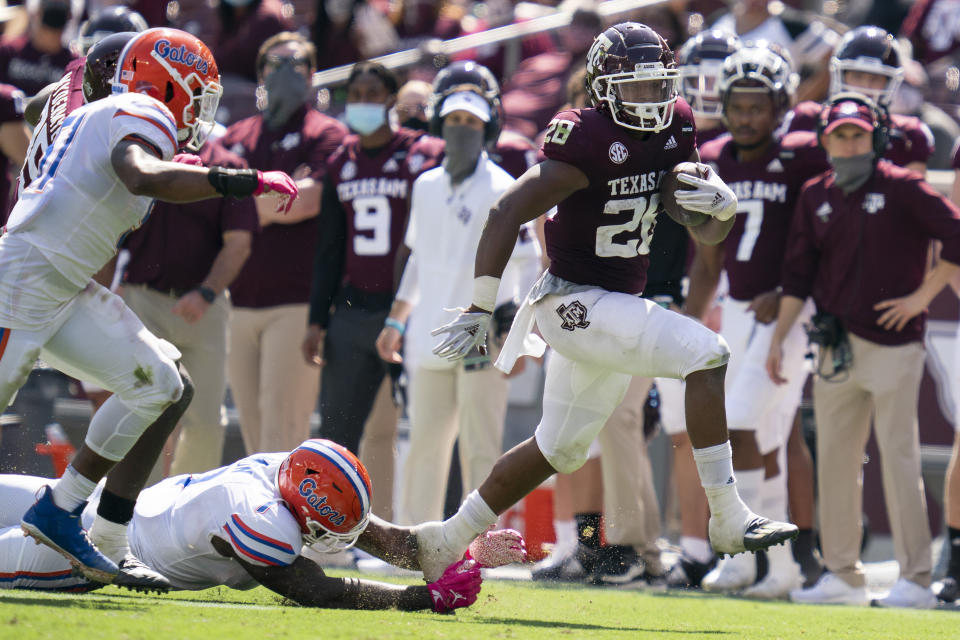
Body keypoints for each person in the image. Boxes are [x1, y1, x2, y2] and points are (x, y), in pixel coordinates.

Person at [414, 22, 798, 585]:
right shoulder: (584, 137)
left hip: (614, 303)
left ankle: (447, 538)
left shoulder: (676, 128)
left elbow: (700, 232)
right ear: (604, 86)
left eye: (659, 86)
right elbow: (505, 212)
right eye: (638, 88)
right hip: (572, 302)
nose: (653, 100)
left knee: (558, 449)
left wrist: (717, 211)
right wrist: (479, 305)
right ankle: (726, 516)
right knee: (707, 353)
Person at [0, 26, 299, 588]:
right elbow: (140, 173)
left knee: (164, 384)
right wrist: (242, 180)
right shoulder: (139, 108)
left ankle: (64, 513)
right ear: (169, 83)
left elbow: (53, 114)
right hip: (22, 280)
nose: (200, 112)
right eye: (198, 93)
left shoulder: (106, 112)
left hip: (60, 284)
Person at [767, 94, 960, 608]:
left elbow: (957, 232)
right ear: (825, 139)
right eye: (839, 134)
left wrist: (923, 295)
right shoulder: (815, 194)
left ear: (874, 137)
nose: (848, 142)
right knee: (834, 460)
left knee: (898, 458)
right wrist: (778, 337)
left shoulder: (903, 187)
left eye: (857, 134)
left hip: (895, 344)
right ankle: (842, 574)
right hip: (835, 345)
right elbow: (798, 273)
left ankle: (916, 578)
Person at [0, 438, 525, 612]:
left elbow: (391, 541)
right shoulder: (261, 518)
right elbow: (317, 591)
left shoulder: (292, 468)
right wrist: (419, 601)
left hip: (102, 507)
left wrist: (465, 548)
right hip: (92, 552)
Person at [685, 44, 830, 600]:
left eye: (757, 107)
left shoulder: (803, 155)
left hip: (789, 312)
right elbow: (709, 257)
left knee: (740, 428)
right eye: (737, 106)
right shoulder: (716, 155)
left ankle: (744, 558)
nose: (746, 117)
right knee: (763, 443)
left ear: (780, 107)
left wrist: (791, 290)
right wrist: (691, 325)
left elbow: (820, 237)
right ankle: (783, 568)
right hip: (739, 308)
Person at [376, 76, 541, 525]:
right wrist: (396, 320)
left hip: (482, 336)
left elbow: (529, 261)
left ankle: (483, 545)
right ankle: (413, 542)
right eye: (453, 119)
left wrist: (517, 330)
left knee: (480, 445)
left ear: (487, 129)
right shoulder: (425, 185)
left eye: (471, 121)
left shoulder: (505, 186)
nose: (461, 128)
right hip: (428, 333)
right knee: (424, 444)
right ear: (438, 124)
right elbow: (417, 259)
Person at [302, 61, 439, 518]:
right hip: (354, 310)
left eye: (371, 92)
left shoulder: (424, 153)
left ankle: (431, 528)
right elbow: (327, 248)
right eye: (355, 93)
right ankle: (333, 527)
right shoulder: (342, 161)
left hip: (413, 310)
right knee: (338, 433)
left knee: (428, 426)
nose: (362, 101)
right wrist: (317, 320)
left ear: (391, 100)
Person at [219, 31, 348, 455]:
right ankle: (260, 519)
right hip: (237, 301)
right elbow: (212, 203)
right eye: (275, 65)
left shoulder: (327, 133)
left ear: (312, 75)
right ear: (259, 74)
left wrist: (237, 205)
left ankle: (288, 521)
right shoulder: (237, 136)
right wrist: (265, 203)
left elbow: (307, 201)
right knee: (253, 437)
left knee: (282, 433)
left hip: (295, 301)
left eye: (296, 65)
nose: (285, 74)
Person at [119, 143, 258, 477]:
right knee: (140, 408)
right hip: (141, 301)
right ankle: (130, 508)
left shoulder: (227, 165)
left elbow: (239, 241)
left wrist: (207, 292)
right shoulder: (137, 157)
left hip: (204, 308)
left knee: (206, 419)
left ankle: (189, 509)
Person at [780, 26, 934, 174]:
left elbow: (911, 197)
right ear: (839, 74)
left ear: (890, 82)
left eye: (875, 78)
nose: (865, 87)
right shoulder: (806, 118)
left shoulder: (908, 135)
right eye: (857, 76)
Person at [0, 0, 78, 96]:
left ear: (69, 17)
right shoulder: (8, 51)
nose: (51, 34)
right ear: (36, 14)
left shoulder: (73, 63)